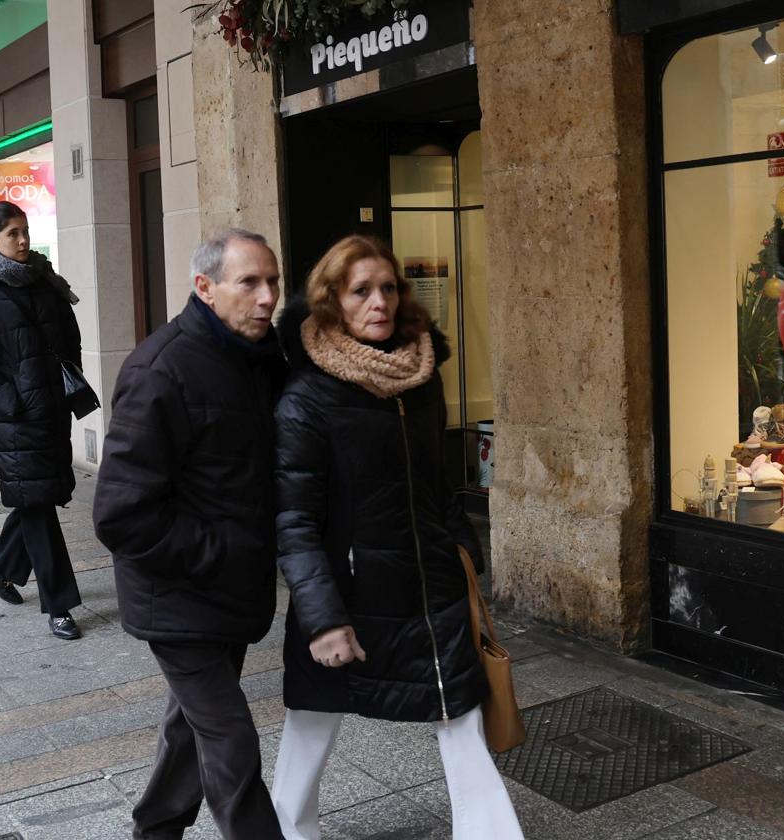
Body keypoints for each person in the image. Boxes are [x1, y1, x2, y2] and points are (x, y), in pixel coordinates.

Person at [271, 235, 524, 839]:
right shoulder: (306, 400)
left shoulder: (422, 377)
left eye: (388, 287)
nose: (379, 302)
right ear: (331, 302)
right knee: (312, 719)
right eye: (361, 291)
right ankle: (284, 829)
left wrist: (460, 549)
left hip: (430, 585)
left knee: (459, 715)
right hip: (349, 595)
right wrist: (324, 618)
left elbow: (437, 484)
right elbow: (295, 520)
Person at [93, 229, 286, 840]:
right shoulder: (159, 369)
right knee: (230, 740)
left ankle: (155, 831)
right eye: (248, 283)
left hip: (231, 593)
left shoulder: (261, 359)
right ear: (205, 288)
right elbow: (121, 514)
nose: (266, 298)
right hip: (177, 598)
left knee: (191, 728)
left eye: (273, 282)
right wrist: (225, 552)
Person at [0, 201, 84, 639]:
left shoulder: (45, 282)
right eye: (12, 233)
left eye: (25, 230)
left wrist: (67, 387)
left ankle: (0, 564)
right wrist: (10, 402)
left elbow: (69, 339)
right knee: (37, 506)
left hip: (50, 413)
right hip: (13, 421)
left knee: (38, 496)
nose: (23, 240)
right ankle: (60, 604)